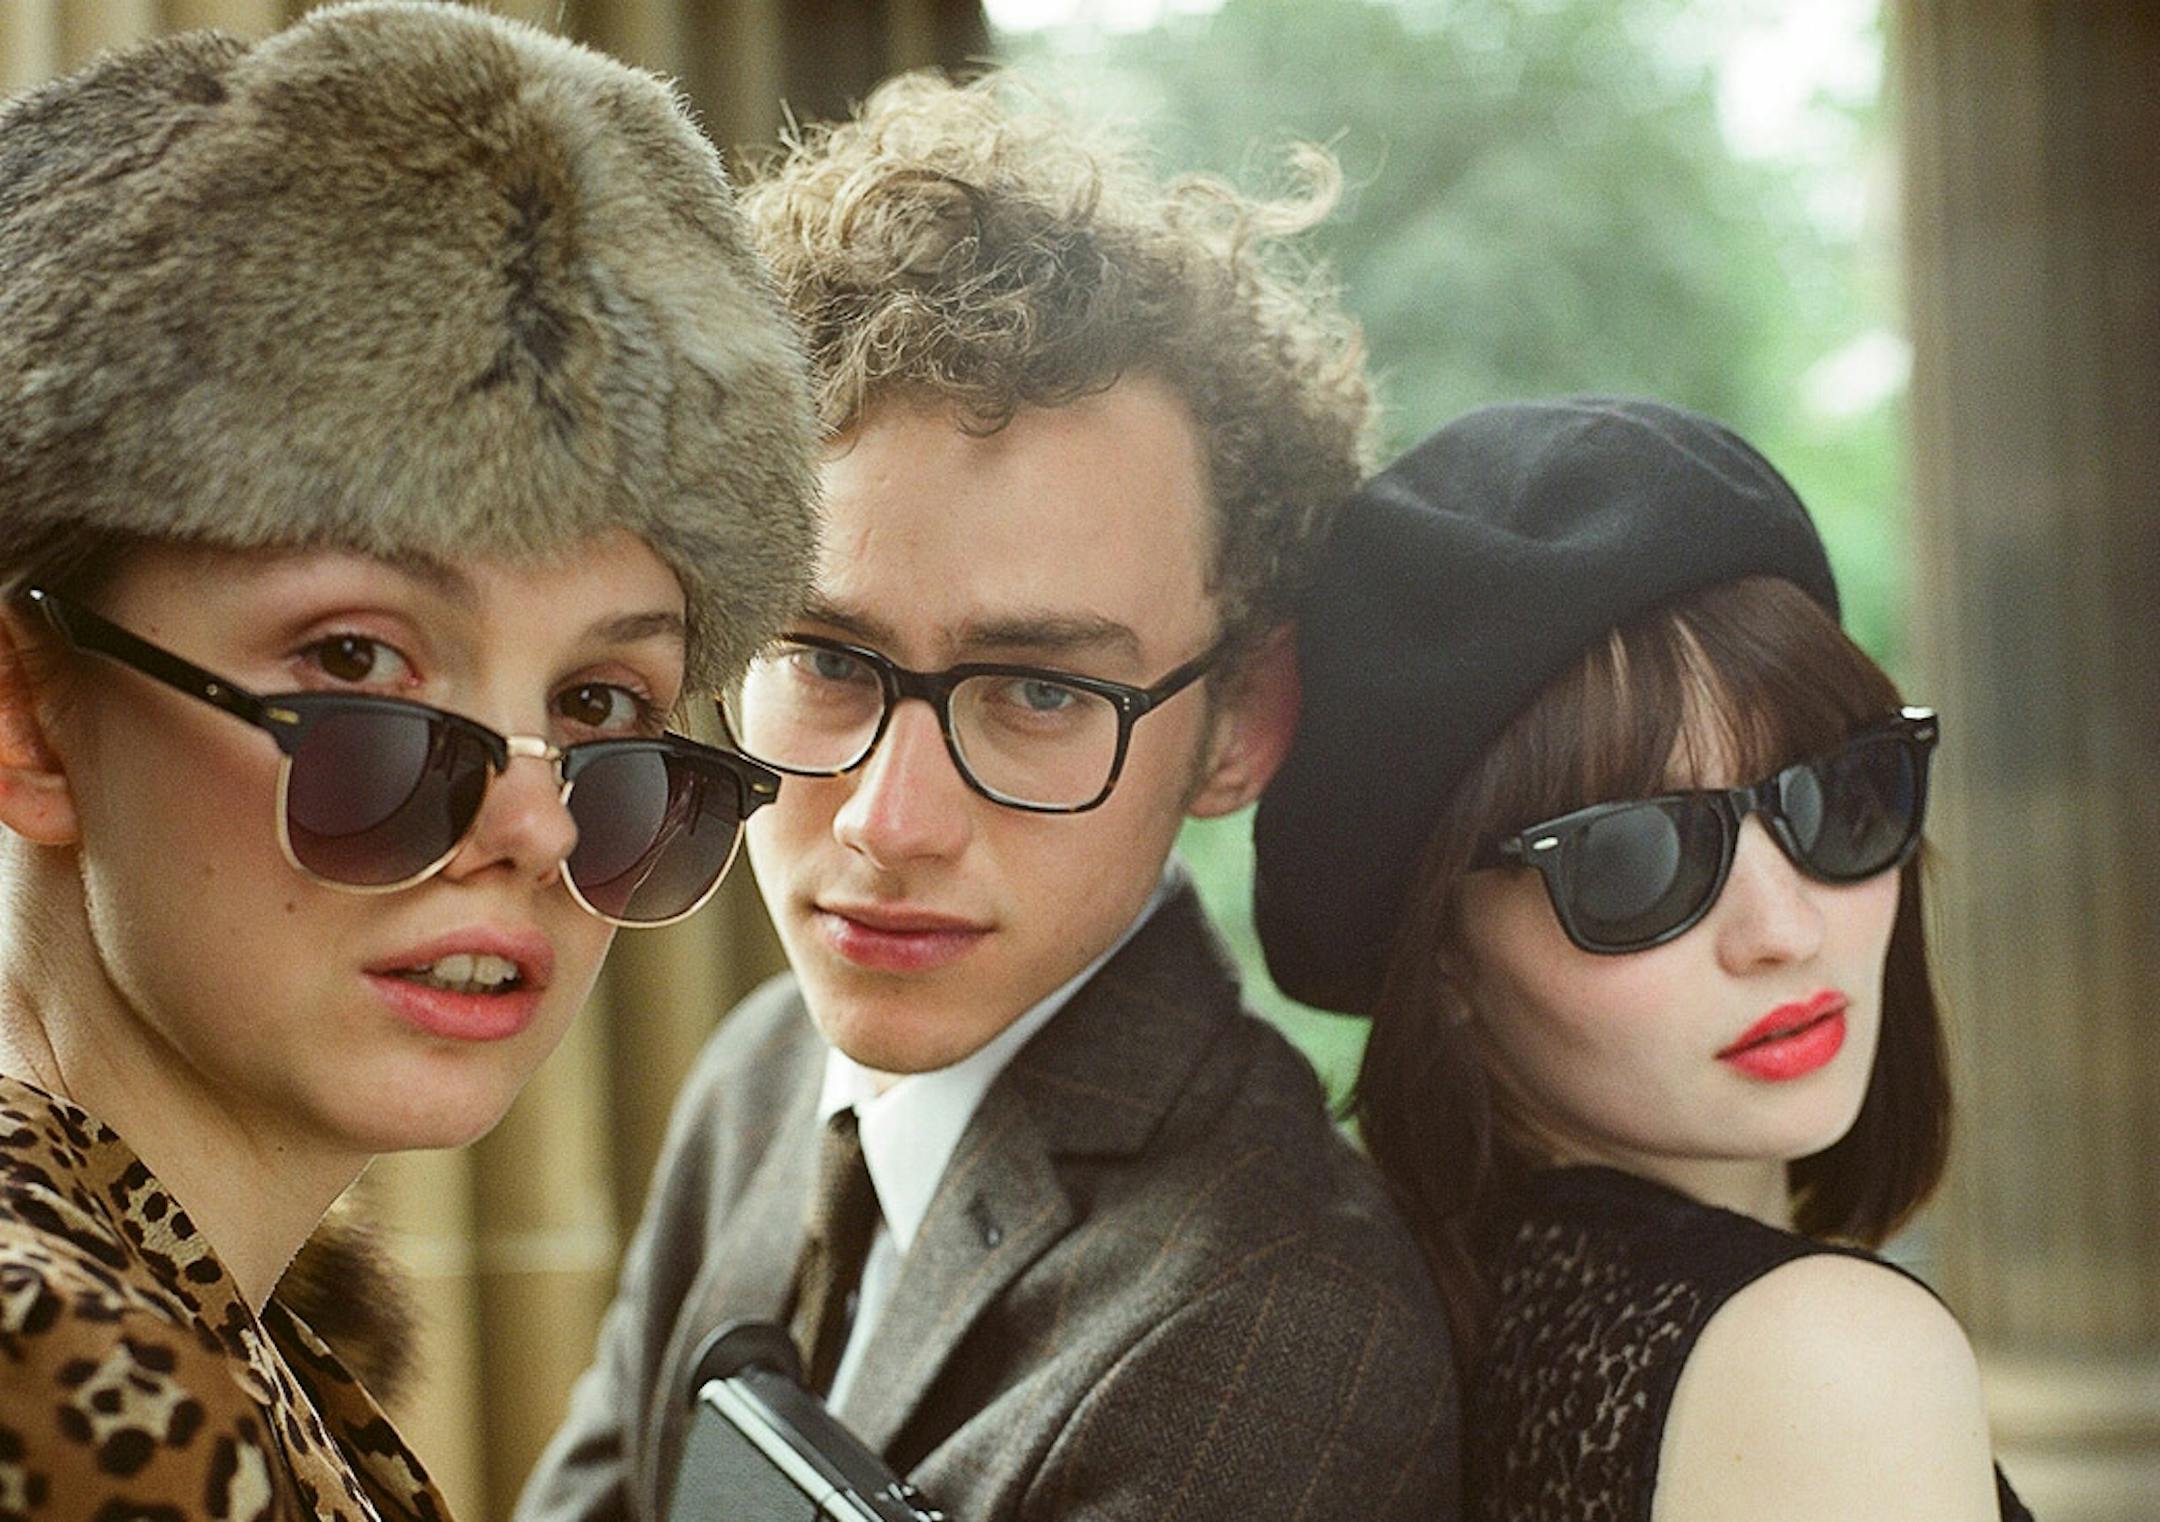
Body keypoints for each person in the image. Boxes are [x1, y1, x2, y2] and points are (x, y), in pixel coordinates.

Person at [518, 72, 1457, 1522]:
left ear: (1240, 726)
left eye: (1040, 694)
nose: (890, 825)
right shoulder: (761, 1076)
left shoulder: (1279, 1330)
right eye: (823, 656)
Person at [0, 4, 818, 1517]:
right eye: (358, 659)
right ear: (33, 710)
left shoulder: (210, 1311)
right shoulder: (64, 1381)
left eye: (598, 704)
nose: (532, 822)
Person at [1253, 397, 2032, 1521]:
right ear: (1442, 967)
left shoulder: (1484, 1332)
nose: (1785, 926)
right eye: (1635, 859)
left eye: (1833, 798)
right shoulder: (1826, 1364)